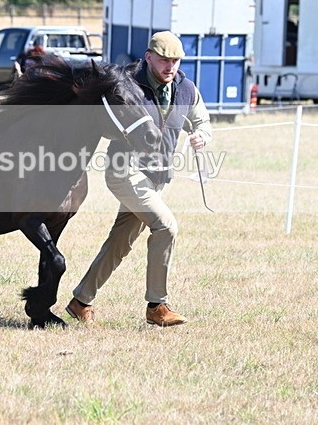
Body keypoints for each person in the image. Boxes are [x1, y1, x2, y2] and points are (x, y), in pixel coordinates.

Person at [65, 31, 212, 327]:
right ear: (148, 57)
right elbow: (103, 121)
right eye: (164, 60)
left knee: (120, 242)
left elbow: (202, 121)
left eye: (175, 60)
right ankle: (157, 305)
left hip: (158, 177)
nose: (170, 66)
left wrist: (201, 135)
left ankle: (80, 301)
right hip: (125, 170)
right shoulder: (126, 84)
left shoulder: (187, 89)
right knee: (166, 226)